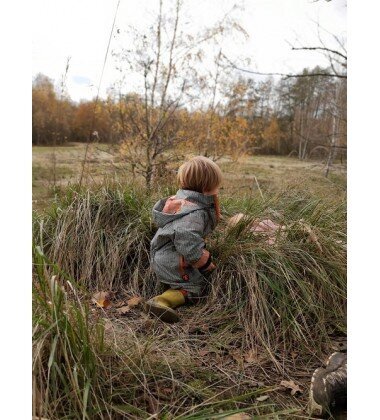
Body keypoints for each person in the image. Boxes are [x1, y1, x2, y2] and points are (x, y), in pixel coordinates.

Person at [145, 156, 222, 323]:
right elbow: (186, 237)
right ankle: (162, 301)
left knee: (187, 278)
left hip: (166, 255)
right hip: (174, 259)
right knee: (195, 288)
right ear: (206, 186)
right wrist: (204, 262)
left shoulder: (183, 202)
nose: (219, 188)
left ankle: (173, 285)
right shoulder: (194, 212)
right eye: (217, 184)